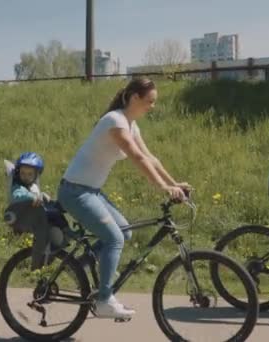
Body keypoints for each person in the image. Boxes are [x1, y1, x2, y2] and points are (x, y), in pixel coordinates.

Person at [57, 78, 189, 319]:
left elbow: (150, 158)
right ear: (134, 98)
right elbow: (137, 158)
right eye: (150, 101)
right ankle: (104, 300)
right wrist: (162, 187)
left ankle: (78, 267)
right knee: (115, 239)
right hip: (75, 191)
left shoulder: (131, 124)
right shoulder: (115, 122)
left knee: (124, 231)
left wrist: (174, 183)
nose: (153, 106)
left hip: (91, 191)